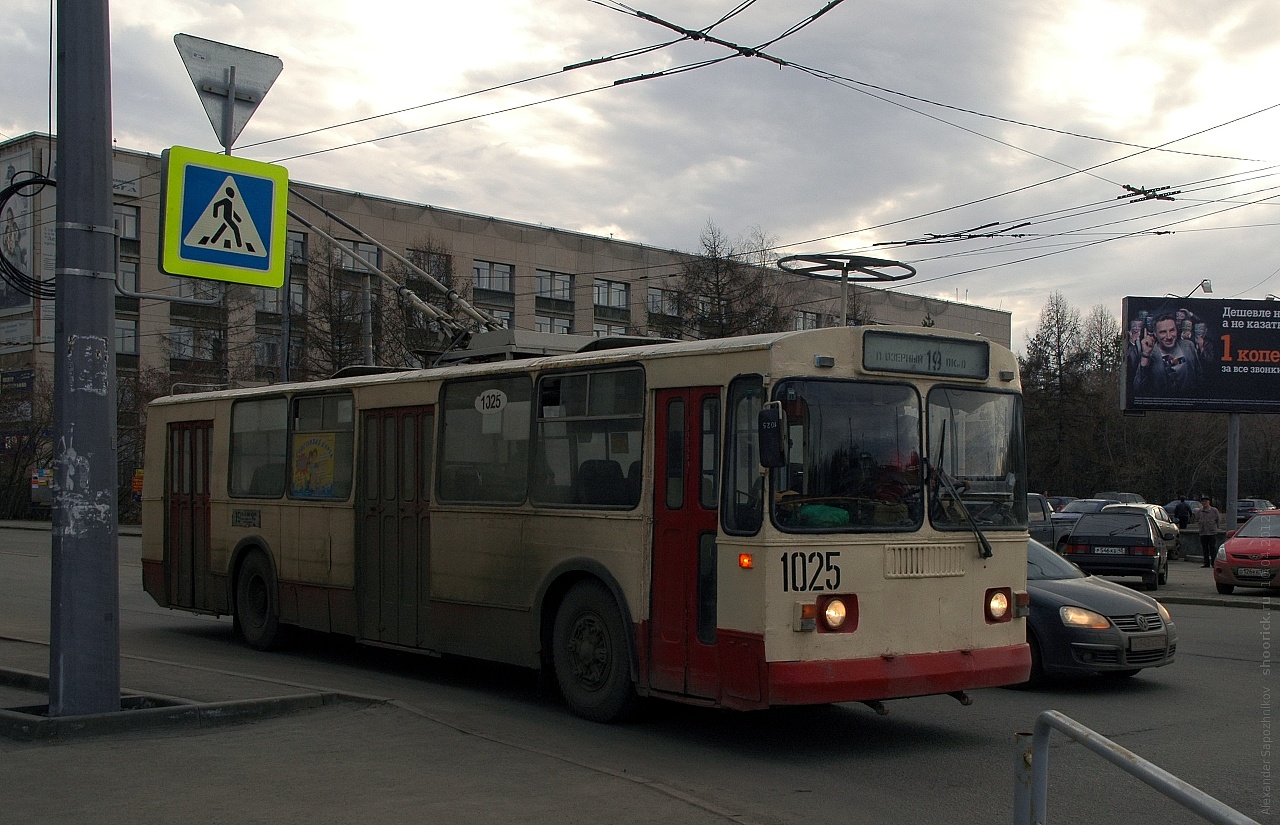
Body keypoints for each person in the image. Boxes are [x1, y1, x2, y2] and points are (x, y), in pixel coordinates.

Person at [1133, 313, 1204, 395]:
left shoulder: (1188, 346)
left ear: (1177, 330)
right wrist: (1146, 355)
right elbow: (1137, 388)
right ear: (1155, 334)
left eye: (1172, 330)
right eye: (1163, 332)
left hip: (1187, 403)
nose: (1169, 336)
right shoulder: (1150, 353)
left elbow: (1199, 376)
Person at [1197, 496, 1221, 567]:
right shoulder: (1200, 511)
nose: (1204, 503)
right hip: (1203, 532)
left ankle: (1213, 563)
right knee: (1205, 548)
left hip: (1212, 532)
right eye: (1203, 502)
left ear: (1209, 502)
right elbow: (1197, 519)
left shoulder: (1214, 510)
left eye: (1206, 502)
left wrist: (1217, 527)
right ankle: (1206, 563)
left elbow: (1218, 519)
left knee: (1212, 548)